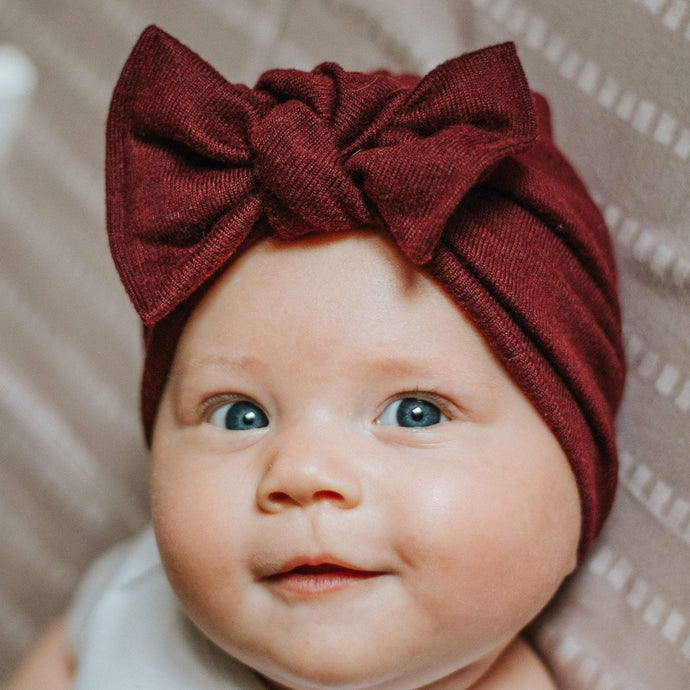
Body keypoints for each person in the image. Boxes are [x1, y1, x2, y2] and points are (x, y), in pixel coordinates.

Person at [7, 25, 625, 689]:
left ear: (581, 478)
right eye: (239, 415)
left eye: (415, 412)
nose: (301, 473)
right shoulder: (132, 600)